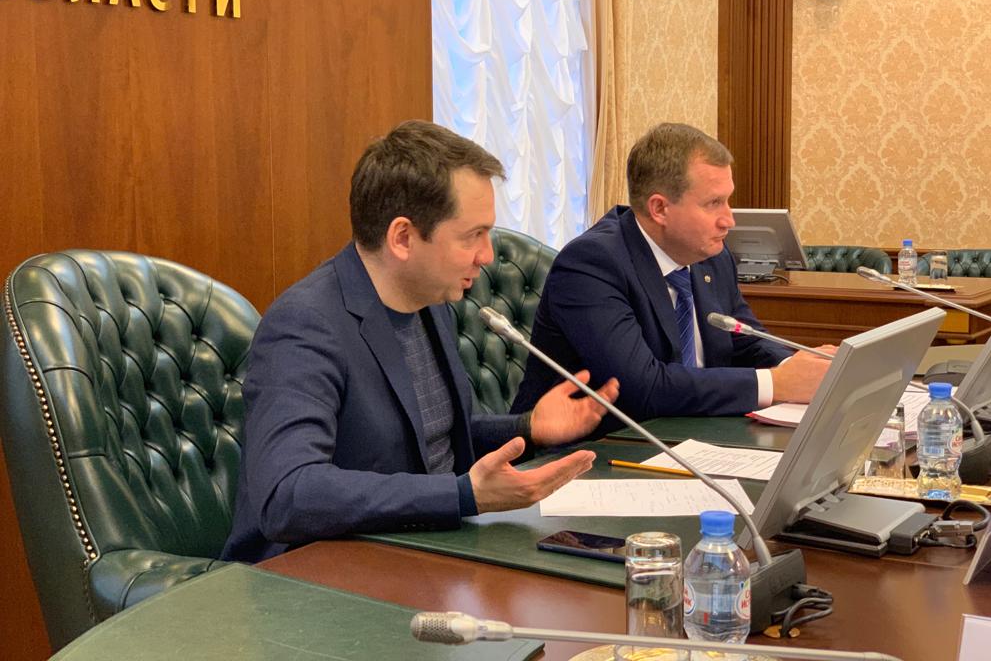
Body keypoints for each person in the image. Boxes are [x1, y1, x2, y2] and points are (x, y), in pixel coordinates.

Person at [223, 120, 618, 563]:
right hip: (315, 571)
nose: (487, 255)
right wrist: (462, 496)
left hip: (426, 549)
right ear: (403, 238)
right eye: (473, 235)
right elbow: (288, 493)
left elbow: (424, 437)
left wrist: (528, 427)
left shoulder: (429, 302)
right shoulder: (306, 324)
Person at [512, 122, 832, 436]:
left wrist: (803, 367)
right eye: (714, 203)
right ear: (660, 208)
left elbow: (744, 338)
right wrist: (777, 383)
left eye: (727, 200)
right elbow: (642, 387)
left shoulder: (712, 257)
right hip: (594, 449)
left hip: (693, 437)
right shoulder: (591, 264)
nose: (729, 220)